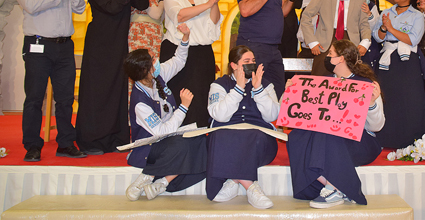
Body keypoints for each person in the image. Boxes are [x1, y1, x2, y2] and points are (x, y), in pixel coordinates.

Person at [287, 39, 384, 208]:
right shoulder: (323, 82)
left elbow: (377, 126)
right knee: (297, 136)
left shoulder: (366, 85)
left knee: (329, 130)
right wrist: (291, 93)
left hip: (360, 141)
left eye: (330, 53)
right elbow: (308, 115)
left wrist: (371, 104)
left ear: (341, 59)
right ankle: (337, 187)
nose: (327, 57)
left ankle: (335, 188)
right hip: (329, 138)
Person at [15, 0, 90, 161]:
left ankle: (66, 143)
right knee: (34, 98)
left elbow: (79, 9)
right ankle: (32, 145)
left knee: (65, 99)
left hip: (64, 46)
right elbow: (31, 5)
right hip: (38, 46)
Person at [124, 23, 208, 201]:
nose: (156, 61)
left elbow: (178, 61)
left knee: (201, 141)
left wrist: (185, 38)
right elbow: (162, 132)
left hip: (168, 138)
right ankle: (146, 176)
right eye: (152, 60)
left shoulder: (156, 77)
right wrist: (183, 107)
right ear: (145, 71)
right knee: (183, 146)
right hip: (149, 147)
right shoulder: (140, 102)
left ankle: (162, 183)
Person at [76, 0, 148, 155]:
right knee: (97, 93)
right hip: (98, 51)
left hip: (118, 49)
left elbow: (142, 4)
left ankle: (115, 138)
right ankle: (92, 141)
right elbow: (113, 8)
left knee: (116, 92)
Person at [206, 45, 280, 209]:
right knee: (220, 136)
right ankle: (251, 187)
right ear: (234, 65)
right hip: (227, 136)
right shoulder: (219, 85)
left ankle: (233, 180)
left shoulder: (265, 84)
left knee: (254, 136)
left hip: (257, 137)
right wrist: (238, 89)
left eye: (253, 61)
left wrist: (258, 89)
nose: (251, 64)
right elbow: (219, 115)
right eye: (246, 61)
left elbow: (272, 116)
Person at [160, 0, 224, 128]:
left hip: (202, 53)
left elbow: (214, 22)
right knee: (181, 92)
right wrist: (208, 4)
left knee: (202, 93)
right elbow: (180, 16)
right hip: (178, 51)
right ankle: (179, 133)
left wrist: (214, 3)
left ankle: (201, 131)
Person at [373, 0, 425, 149]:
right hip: (388, 58)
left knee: (408, 99)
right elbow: (377, 37)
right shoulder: (386, 12)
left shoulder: (416, 15)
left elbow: (413, 39)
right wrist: (383, 28)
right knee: (387, 97)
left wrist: (390, 28)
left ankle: (409, 138)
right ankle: (386, 137)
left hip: (407, 60)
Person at [236, 0, 296, 98]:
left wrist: (291, 0)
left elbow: (282, 13)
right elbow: (245, 10)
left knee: (278, 91)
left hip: (274, 48)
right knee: (252, 91)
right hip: (253, 46)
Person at [300, 0, 371, 76]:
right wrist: (312, 41)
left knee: (348, 80)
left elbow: (364, 24)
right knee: (319, 78)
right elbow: (306, 16)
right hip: (325, 42)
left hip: (350, 41)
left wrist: (365, 42)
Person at [359, 0, 381, 70]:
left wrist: (369, 14)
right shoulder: (343, 2)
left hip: (366, 45)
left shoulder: (371, 5)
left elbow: (375, 29)